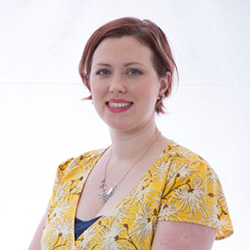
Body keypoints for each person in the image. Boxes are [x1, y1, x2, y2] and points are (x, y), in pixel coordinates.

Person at [29, 17, 233, 250]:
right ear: (89, 82)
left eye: (133, 71)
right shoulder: (71, 172)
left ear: (163, 83)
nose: (116, 85)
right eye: (103, 71)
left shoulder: (187, 176)